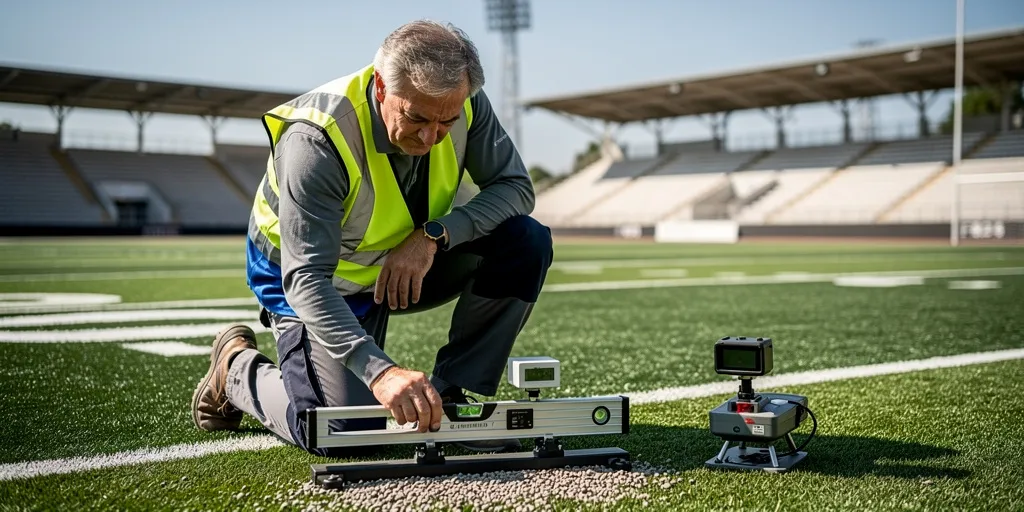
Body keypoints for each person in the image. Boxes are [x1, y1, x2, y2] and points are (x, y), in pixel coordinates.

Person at [190, 19, 552, 456]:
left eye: (446, 122)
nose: (431, 136)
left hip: (403, 260)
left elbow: (516, 188)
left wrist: (433, 236)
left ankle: (454, 394)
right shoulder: (316, 139)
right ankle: (236, 370)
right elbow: (305, 278)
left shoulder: (463, 102)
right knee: (342, 432)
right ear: (381, 86)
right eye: (416, 117)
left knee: (524, 241)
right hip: (313, 280)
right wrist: (381, 373)